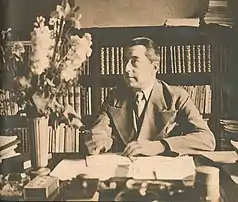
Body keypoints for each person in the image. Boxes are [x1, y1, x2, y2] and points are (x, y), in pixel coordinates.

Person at [85, 37, 216, 157]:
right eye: (125, 61)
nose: (126, 68)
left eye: (135, 61)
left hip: (165, 174)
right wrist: (99, 139)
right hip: (126, 172)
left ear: (154, 67)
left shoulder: (176, 97)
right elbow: (100, 128)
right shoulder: (114, 97)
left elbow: (207, 140)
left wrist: (161, 145)